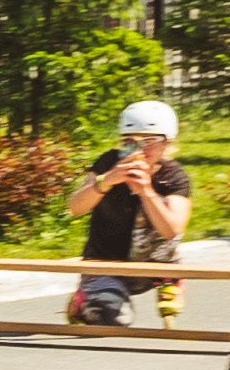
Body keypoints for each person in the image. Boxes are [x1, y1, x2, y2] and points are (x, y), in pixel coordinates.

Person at [64, 99, 192, 326]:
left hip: (154, 263)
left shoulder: (173, 176)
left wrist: (146, 191)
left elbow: (172, 230)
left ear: (167, 143)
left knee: (161, 213)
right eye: (130, 142)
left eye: (149, 141)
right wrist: (106, 181)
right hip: (105, 262)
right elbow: (75, 207)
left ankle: (168, 279)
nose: (140, 149)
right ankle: (83, 300)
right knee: (115, 321)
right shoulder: (109, 162)